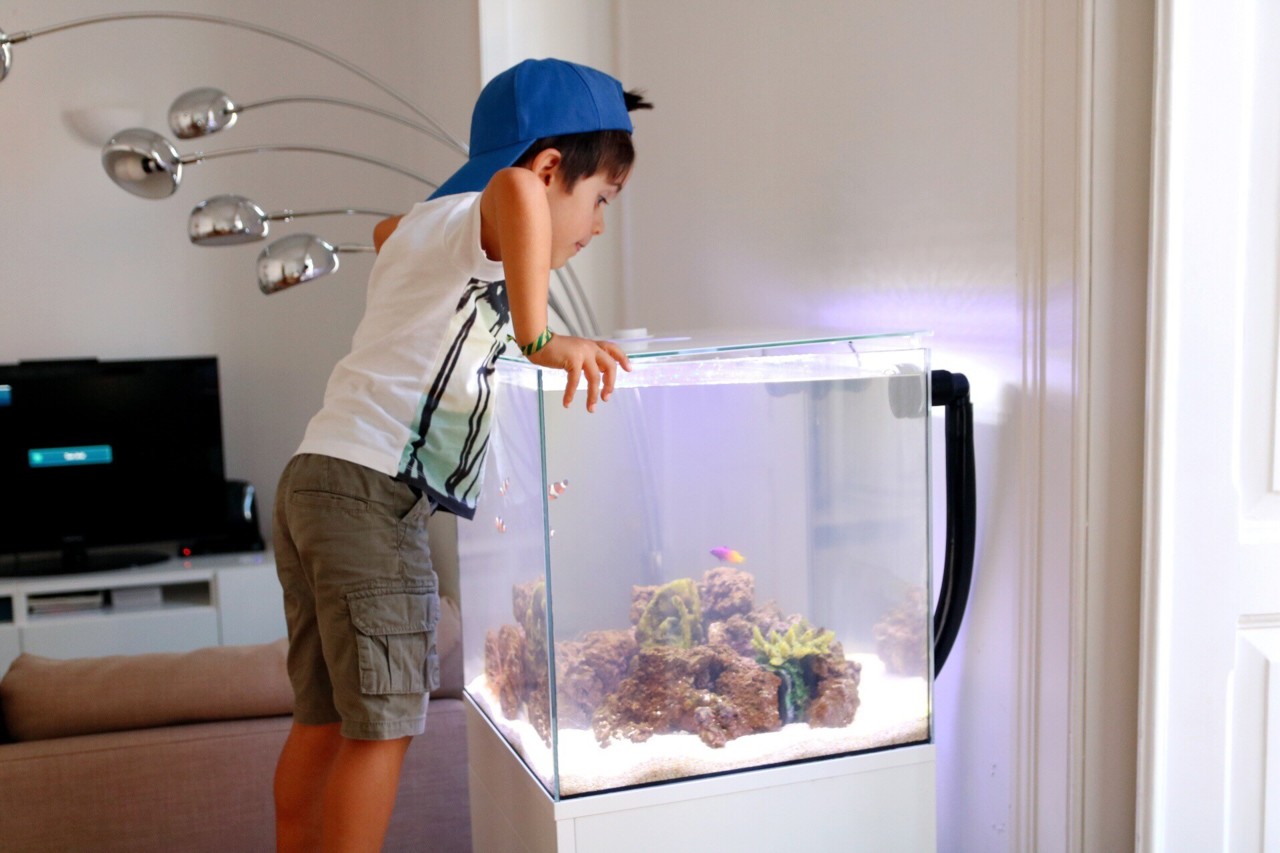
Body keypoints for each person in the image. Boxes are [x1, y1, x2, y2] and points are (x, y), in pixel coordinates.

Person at [270, 58, 651, 852]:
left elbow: (394, 244)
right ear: (549, 169)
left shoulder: (429, 236)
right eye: (600, 199)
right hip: (369, 495)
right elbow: (513, 193)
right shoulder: (497, 207)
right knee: (383, 723)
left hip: (315, 478)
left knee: (324, 715)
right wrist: (542, 338)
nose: (598, 226)